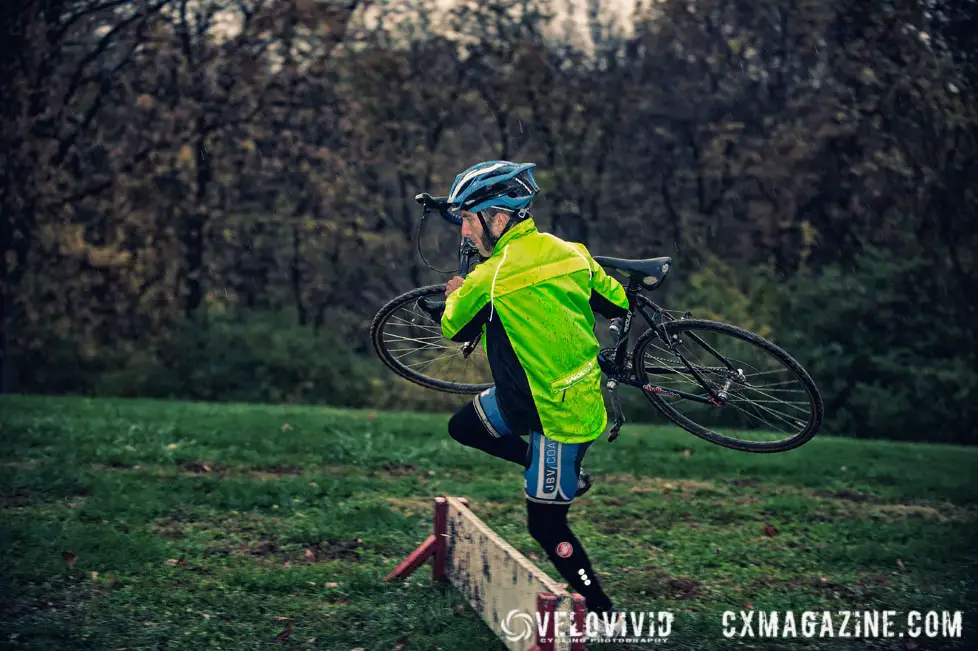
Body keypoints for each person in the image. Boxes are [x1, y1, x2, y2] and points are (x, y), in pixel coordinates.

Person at [434, 160, 630, 616]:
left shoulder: (489, 277)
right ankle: (558, 474)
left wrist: (454, 293)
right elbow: (616, 301)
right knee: (465, 427)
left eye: (466, 219)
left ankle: (605, 614)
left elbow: (453, 327)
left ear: (498, 217)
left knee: (546, 526)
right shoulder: (571, 252)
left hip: (557, 418)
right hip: (533, 398)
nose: (464, 232)